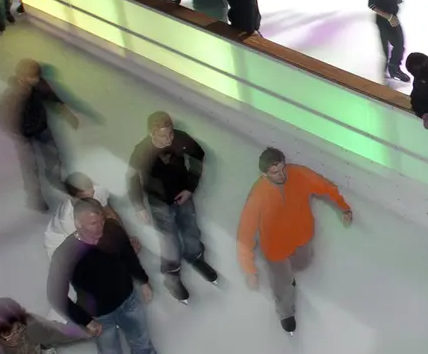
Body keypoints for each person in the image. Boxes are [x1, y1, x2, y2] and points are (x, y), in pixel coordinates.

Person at [47, 200, 173, 354]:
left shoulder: (112, 230)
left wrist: (143, 281)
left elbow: (129, 257)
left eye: (102, 220)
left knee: (142, 342)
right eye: (93, 223)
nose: (100, 227)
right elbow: (55, 295)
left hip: (128, 300)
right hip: (98, 316)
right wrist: (85, 320)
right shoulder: (66, 255)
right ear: (78, 223)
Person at [237, 147, 352, 334]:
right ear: (265, 174)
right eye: (275, 172)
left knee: (304, 262)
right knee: (282, 285)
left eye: (283, 168)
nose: (282, 174)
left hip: (302, 237)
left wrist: (344, 207)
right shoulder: (258, 196)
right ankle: (285, 313)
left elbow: (326, 186)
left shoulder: (298, 174)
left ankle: (290, 274)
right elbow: (245, 233)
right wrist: (249, 270)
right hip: (275, 250)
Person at [129, 112, 219, 304]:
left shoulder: (180, 138)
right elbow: (133, 178)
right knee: (169, 241)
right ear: (152, 133)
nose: (169, 139)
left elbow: (198, 156)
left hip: (183, 196)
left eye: (170, 133)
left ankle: (195, 257)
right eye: (163, 135)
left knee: (191, 229)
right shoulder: (142, 151)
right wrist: (139, 206)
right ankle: (172, 277)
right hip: (159, 202)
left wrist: (190, 188)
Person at [2, 59, 78, 212]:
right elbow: (6, 119)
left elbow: (51, 97)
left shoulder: (39, 85)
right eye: (32, 77)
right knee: (30, 167)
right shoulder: (13, 95)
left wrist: (67, 113)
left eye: (37, 76)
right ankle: (35, 197)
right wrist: (20, 135)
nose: (36, 80)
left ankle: (55, 179)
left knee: (54, 156)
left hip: (42, 129)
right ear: (22, 76)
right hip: (25, 136)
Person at [367, 0, 408, 81]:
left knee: (400, 44)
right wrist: (388, 17)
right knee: (386, 50)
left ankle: (394, 68)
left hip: (392, 17)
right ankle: (384, 77)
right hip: (383, 20)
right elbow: (371, 4)